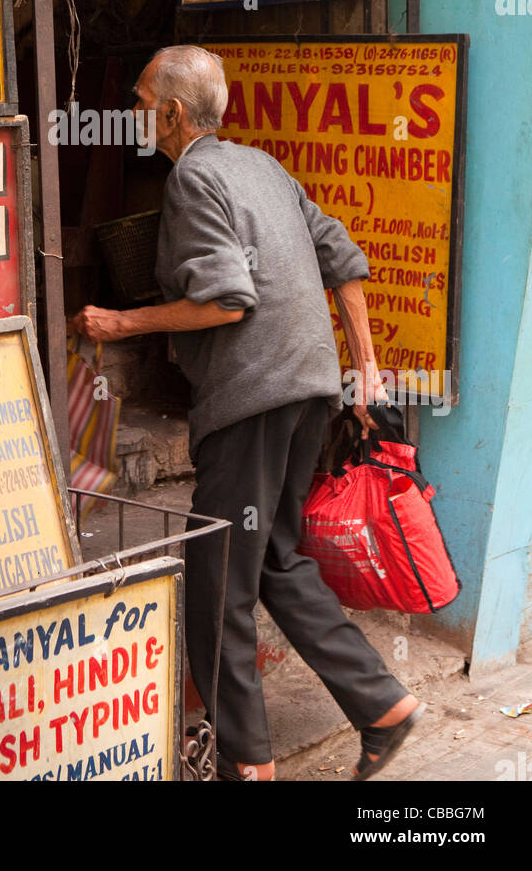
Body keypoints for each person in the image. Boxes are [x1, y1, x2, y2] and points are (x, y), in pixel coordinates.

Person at [70, 44, 424, 782]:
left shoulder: (194, 178)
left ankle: (245, 763)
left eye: (138, 101)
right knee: (276, 561)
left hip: (254, 400)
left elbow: (227, 299)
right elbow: (346, 259)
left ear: (169, 114)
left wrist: (119, 325)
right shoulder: (261, 166)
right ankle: (383, 704)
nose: (131, 113)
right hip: (308, 393)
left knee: (218, 574)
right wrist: (361, 372)